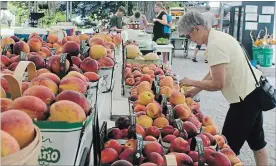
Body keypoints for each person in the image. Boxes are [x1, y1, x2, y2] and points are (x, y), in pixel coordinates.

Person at [178, 11, 268, 166]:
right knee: (257, 141)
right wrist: (194, 90)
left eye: (188, 36)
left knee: (226, 149)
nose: (190, 40)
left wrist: (191, 81)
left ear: (196, 29)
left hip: (244, 100)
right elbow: (214, 70)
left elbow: (218, 84)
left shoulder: (215, 45)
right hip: (253, 92)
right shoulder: (218, 37)